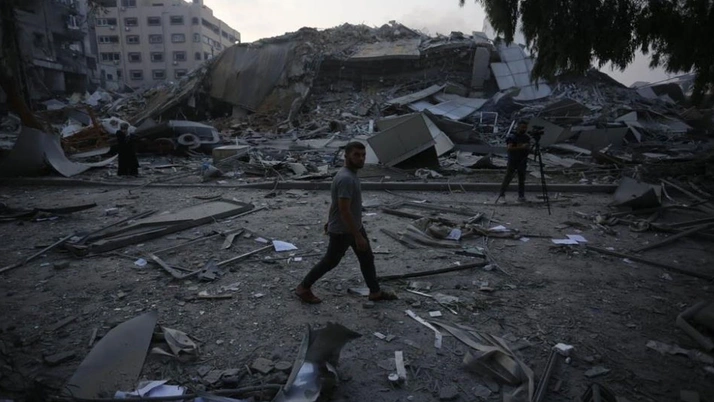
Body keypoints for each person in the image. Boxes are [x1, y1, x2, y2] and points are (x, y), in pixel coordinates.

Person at [295, 142, 397, 304]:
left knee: (366, 258)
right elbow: (344, 210)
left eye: (363, 155)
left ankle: (375, 292)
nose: (361, 158)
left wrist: (330, 220)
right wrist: (357, 235)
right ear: (346, 155)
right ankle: (303, 287)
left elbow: (336, 203)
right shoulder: (346, 178)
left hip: (352, 226)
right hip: (344, 230)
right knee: (330, 261)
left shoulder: (348, 174)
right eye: (356, 155)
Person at [498, 120, 531, 202]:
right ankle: (501, 195)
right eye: (523, 127)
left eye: (525, 127)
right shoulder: (512, 137)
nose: (524, 129)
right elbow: (509, 148)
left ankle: (521, 196)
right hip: (513, 160)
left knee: (522, 179)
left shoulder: (526, 138)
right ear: (518, 127)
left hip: (522, 160)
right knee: (508, 177)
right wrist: (522, 147)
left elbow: (527, 148)